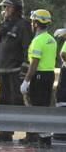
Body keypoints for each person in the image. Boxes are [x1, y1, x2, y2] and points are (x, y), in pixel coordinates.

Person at [0, 0, 32, 142]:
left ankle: (31, 135)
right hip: (3, 72)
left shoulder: (23, 25)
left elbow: (28, 50)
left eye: (8, 6)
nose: (5, 9)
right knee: (3, 102)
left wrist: (24, 70)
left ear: (15, 9)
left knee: (19, 102)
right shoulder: (4, 24)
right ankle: (5, 133)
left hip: (16, 73)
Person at [21, 9, 57, 145]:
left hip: (39, 77)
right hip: (49, 75)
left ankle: (42, 139)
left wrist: (26, 81)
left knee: (37, 107)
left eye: (32, 21)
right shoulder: (51, 40)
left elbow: (34, 64)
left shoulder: (37, 41)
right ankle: (45, 137)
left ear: (36, 23)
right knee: (45, 107)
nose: (31, 23)